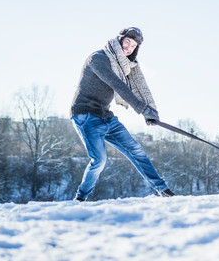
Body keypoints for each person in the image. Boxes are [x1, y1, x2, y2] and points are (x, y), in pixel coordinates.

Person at [70, 27, 174, 201]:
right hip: (85, 115)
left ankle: (163, 190)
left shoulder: (124, 66)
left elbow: (140, 87)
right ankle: (80, 198)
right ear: (119, 40)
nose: (129, 48)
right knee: (99, 160)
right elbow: (118, 85)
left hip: (105, 116)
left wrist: (151, 111)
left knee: (136, 150)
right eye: (127, 42)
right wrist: (142, 109)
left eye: (133, 46)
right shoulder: (98, 58)